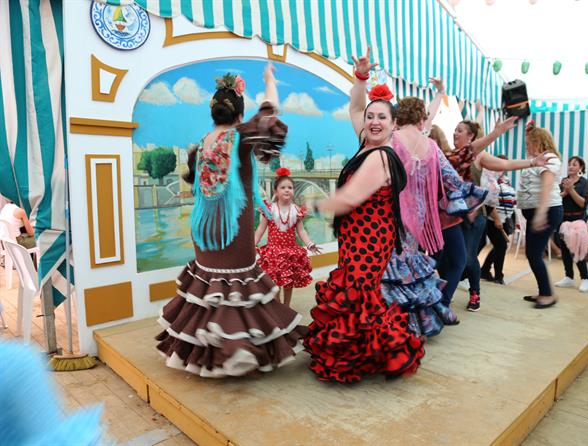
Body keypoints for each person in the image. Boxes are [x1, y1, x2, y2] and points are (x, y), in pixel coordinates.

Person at [155, 65, 307, 378]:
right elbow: (272, 113)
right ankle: (234, 350)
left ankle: (206, 351)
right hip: (233, 228)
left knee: (209, 287)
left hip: (205, 229)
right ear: (239, 114)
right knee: (236, 285)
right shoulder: (240, 136)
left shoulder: (203, 142)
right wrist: (268, 81)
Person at [302, 49, 423, 383]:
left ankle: (376, 352)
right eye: (372, 116)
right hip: (358, 235)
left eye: (382, 117)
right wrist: (360, 78)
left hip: (371, 238)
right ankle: (363, 351)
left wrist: (312, 204)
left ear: (394, 124)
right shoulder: (366, 143)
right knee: (360, 294)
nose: (373, 121)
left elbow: (349, 199)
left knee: (357, 292)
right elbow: (355, 107)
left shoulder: (380, 157)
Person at [380, 93, 488, 337]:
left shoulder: (390, 140)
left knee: (389, 265)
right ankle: (414, 322)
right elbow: (452, 179)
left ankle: (388, 322)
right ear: (420, 119)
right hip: (418, 217)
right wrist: (469, 197)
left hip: (391, 211)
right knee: (408, 265)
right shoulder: (431, 146)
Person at [437, 118, 549, 312]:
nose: (455, 133)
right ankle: (444, 295)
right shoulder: (448, 155)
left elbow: (505, 164)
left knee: (468, 257)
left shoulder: (479, 156)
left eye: (460, 131)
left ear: (471, 136)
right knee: (447, 257)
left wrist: (532, 162)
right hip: (449, 215)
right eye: (454, 130)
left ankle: (474, 293)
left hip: (472, 215)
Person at [255, 167, 320, 307]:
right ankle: (278, 306)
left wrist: (310, 244)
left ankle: (287, 306)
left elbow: (301, 231)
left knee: (289, 282)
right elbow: (261, 228)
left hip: (290, 252)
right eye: (283, 187)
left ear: (293, 191)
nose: (287, 190)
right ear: (276, 191)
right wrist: (253, 243)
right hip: (274, 252)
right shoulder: (270, 209)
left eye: (290, 187)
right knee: (276, 282)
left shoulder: (296, 210)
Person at [517, 121, 564, 308]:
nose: (526, 146)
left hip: (547, 210)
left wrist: (541, 213)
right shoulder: (534, 160)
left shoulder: (550, 158)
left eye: (529, 143)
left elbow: (546, 185)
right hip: (536, 211)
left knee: (534, 254)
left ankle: (547, 294)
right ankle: (543, 291)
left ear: (539, 142)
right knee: (533, 253)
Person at [554, 156, 588, 292]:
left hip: (577, 221)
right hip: (563, 220)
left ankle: (585, 279)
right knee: (565, 250)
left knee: (578, 250)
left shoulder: (585, 183)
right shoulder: (562, 182)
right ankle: (569, 277)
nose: (571, 167)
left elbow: (582, 203)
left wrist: (571, 190)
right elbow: (556, 199)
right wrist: (565, 191)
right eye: (570, 164)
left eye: (575, 164)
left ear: (581, 168)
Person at [480, 157, 517, 284]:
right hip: (492, 217)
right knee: (499, 245)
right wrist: (496, 219)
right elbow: (489, 201)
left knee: (499, 245)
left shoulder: (505, 180)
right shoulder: (490, 179)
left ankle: (485, 270)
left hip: (505, 217)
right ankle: (498, 275)